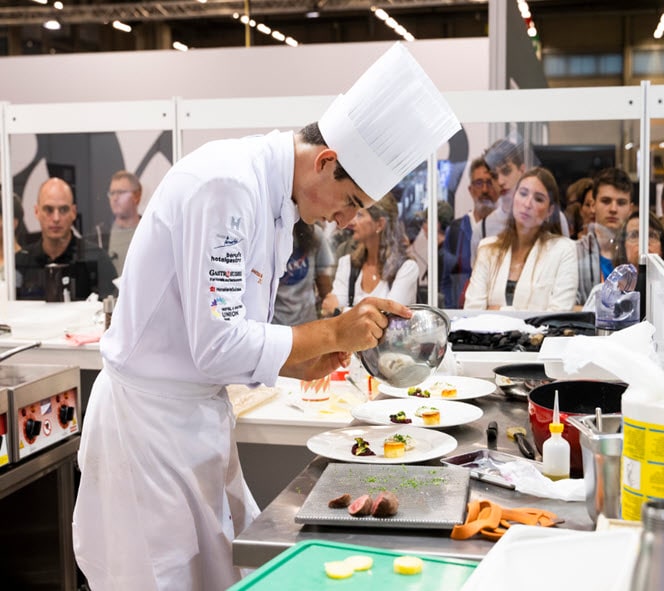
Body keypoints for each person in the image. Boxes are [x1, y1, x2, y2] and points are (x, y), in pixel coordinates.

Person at [71, 42, 461, 591]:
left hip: (195, 424)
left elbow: (230, 330)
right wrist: (330, 329)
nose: (346, 220)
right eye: (350, 202)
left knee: (219, 573)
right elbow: (216, 344)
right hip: (148, 435)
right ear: (326, 161)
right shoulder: (228, 185)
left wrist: (299, 362)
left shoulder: (276, 198)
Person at [464, 167, 578, 311]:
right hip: (485, 334)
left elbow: (558, 317)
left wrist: (496, 310)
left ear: (549, 211)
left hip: (544, 335)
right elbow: (472, 313)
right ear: (513, 198)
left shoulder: (563, 250)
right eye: (523, 194)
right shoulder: (487, 249)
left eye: (538, 199)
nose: (527, 204)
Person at [15, 177, 117, 300]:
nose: (56, 218)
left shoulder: (98, 261)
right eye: (49, 210)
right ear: (37, 212)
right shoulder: (20, 262)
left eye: (63, 209)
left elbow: (112, 315)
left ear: (73, 212)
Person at [321, 193, 419, 314]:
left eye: (360, 215)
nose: (352, 222)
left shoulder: (407, 268)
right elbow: (328, 308)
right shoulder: (347, 263)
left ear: (380, 224)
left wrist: (340, 310)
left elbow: (390, 318)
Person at [440, 156, 497, 308]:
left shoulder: (507, 230)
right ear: (470, 189)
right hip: (462, 315)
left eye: (490, 182)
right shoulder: (456, 230)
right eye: (479, 183)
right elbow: (446, 281)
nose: (485, 190)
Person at [575, 167, 633, 305]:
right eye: (606, 201)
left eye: (621, 202)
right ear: (593, 205)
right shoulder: (574, 253)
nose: (613, 209)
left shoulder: (638, 254)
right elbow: (567, 306)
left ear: (630, 209)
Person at [470, 139, 526, 262]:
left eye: (506, 171)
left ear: (522, 170)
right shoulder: (482, 229)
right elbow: (478, 279)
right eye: (494, 176)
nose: (500, 181)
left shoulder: (548, 218)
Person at [272, 220, 334, 325]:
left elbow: (324, 285)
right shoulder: (270, 234)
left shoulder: (315, 234)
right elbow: (324, 283)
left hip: (306, 323)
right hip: (276, 325)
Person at [407, 200, 454, 304]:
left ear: (436, 224)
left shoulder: (443, 257)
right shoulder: (443, 252)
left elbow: (442, 298)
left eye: (425, 222)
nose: (422, 227)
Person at [105, 169, 142, 276]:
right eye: (112, 193)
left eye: (121, 192)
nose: (115, 198)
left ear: (136, 196)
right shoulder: (100, 235)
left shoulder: (150, 232)